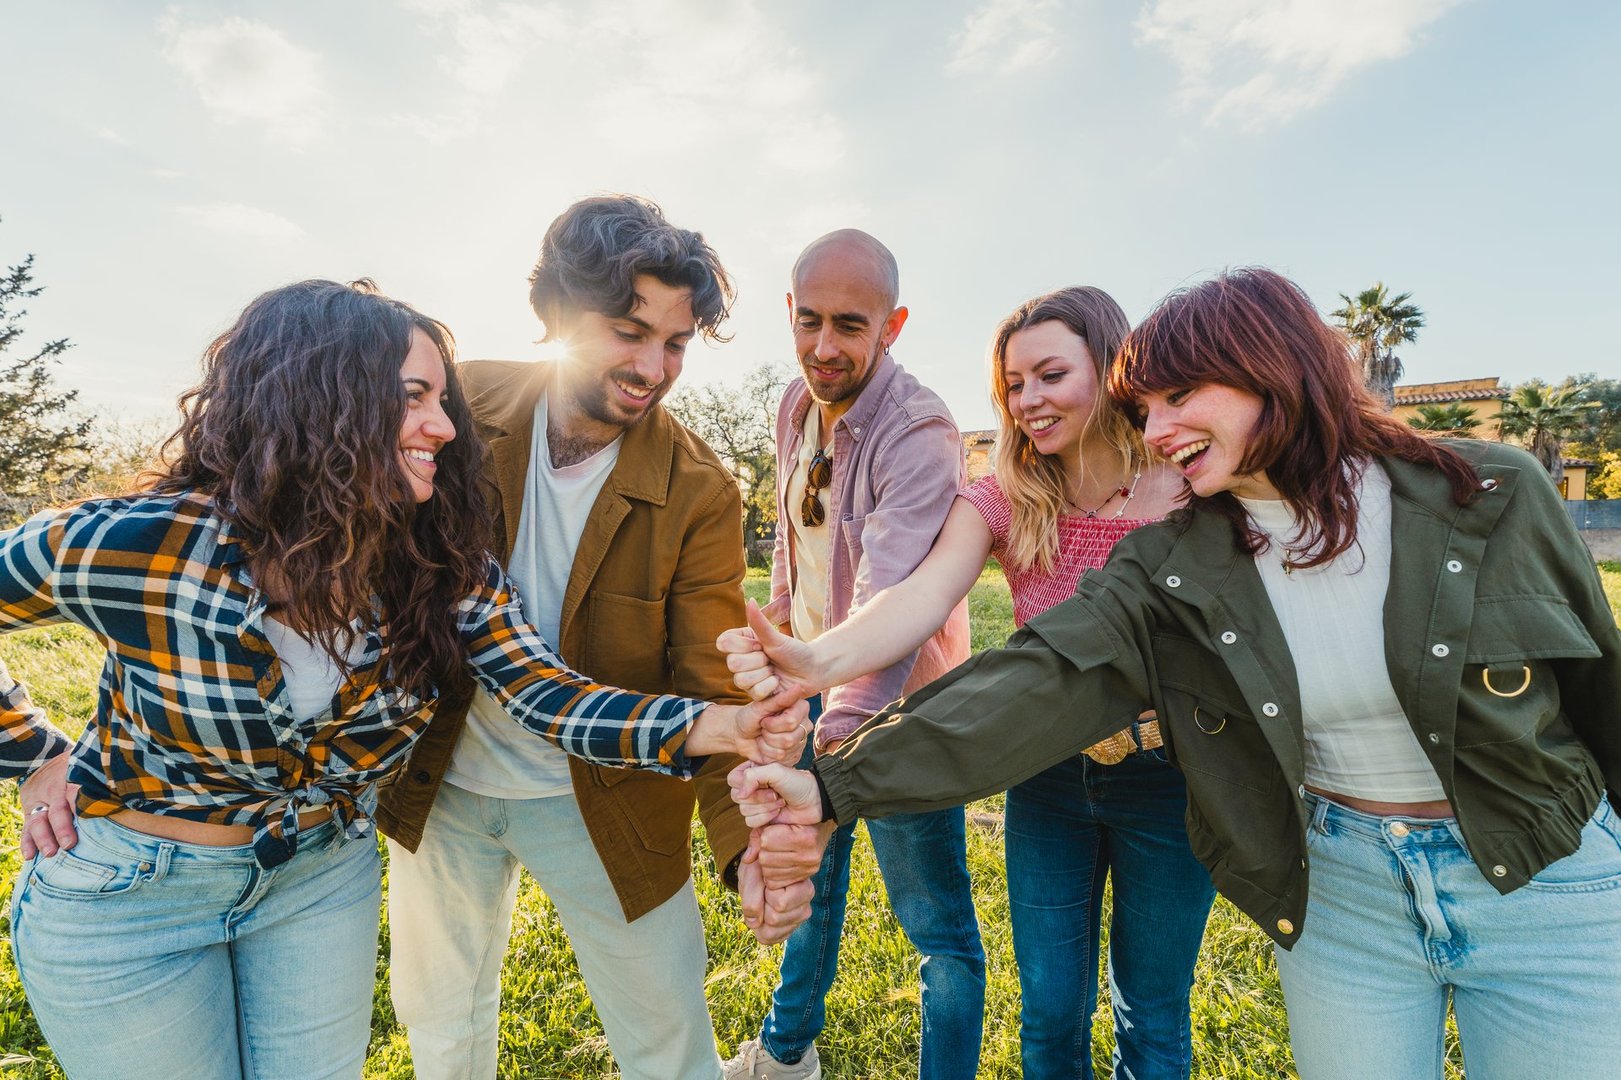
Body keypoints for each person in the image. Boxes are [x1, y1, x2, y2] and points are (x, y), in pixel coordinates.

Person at [729, 267, 1621, 1080]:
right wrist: (828, 769)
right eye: (1147, 404)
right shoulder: (1169, 553)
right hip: (1340, 888)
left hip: (1546, 878)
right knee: (1052, 1010)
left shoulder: (1482, 490)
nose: (1157, 427)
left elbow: (1597, 693)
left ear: (1277, 366)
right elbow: (1036, 675)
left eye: (1181, 394)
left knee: (1149, 1011)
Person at [0, 278, 807, 1080]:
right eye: (413, 397)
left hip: (315, 886)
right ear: (324, 399)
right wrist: (33, 752)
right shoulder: (137, 543)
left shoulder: (437, 565)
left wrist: (727, 729)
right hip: (131, 894)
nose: (445, 426)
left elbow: (546, 691)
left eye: (442, 399)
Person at [375, 195, 820, 1080]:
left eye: (676, 343)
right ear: (558, 315)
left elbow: (712, 677)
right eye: (628, 331)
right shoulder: (457, 409)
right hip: (442, 782)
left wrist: (744, 850)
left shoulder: (700, 488)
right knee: (440, 1020)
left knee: (664, 1034)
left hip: (609, 795)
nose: (653, 366)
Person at [732, 285, 1215, 1078]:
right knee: (1050, 1012)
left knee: (1151, 1012)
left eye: (1050, 375)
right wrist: (816, 659)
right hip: (1047, 776)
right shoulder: (1005, 495)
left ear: (1107, 368)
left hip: (1169, 779)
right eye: (1013, 384)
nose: (1028, 400)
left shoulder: (1189, 490)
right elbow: (919, 593)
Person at [723, 230, 984, 1080]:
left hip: (907, 707)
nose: (823, 348)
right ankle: (785, 1055)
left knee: (935, 925)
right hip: (811, 692)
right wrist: (775, 664)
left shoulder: (920, 431)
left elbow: (888, 597)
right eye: (807, 322)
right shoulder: (797, 406)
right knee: (813, 891)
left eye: (848, 325)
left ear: (892, 324)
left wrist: (833, 756)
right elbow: (793, 556)